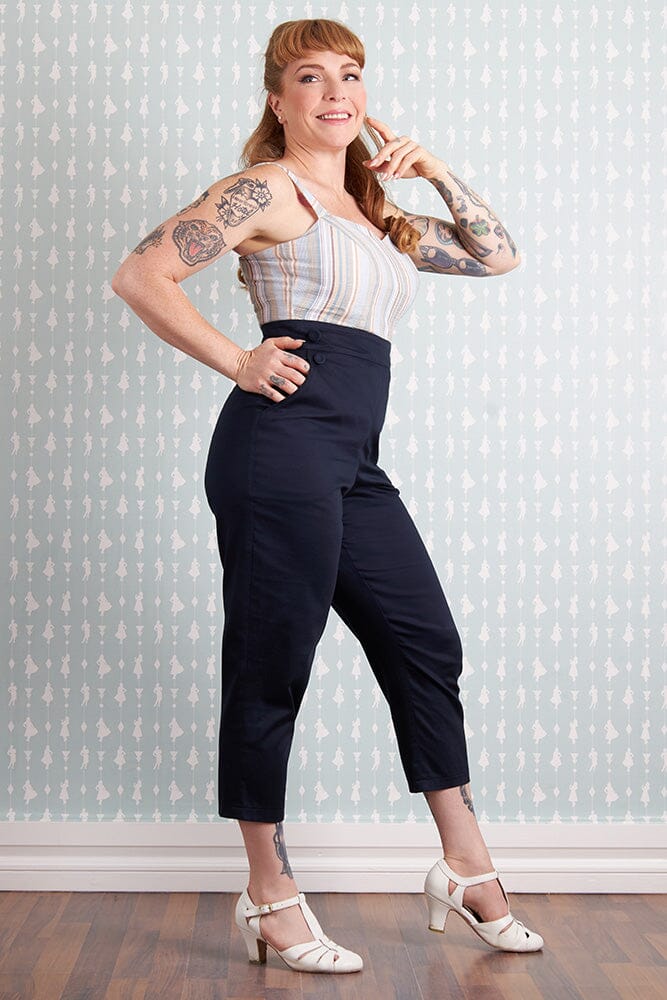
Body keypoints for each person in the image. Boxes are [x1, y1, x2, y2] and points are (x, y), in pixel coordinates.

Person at [112, 16, 543, 976]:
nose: (335, 92)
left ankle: (465, 867)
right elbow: (141, 274)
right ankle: (268, 895)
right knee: (273, 660)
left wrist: (434, 171)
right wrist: (238, 359)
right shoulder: (269, 189)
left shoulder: (378, 216)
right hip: (278, 452)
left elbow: (497, 255)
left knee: (424, 641)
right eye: (310, 77)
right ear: (278, 100)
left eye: (350, 74)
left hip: (353, 460)